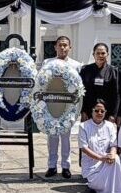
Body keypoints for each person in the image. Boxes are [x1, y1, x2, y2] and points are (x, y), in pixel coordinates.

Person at [41, 35, 83, 178]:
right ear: (55, 47)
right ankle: (51, 166)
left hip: (68, 106)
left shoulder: (76, 65)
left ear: (70, 47)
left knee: (66, 137)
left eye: (65, 45)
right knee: (52, 136)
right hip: (51, 104)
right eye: (60, 45)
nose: (63, 47)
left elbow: (79, 88)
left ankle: (66, 166)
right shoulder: (47, 62)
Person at [78, 99, 121, 193]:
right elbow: (84, 148)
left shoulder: (110, 126)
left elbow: (114, 145)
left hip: (106, 162)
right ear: (92, 111)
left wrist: (111, 155)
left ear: (105, 112)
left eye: (102, 111)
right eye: (96, 110)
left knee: (115, 158)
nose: (99, 113)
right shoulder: (83, 126)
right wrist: (101, 158)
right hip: (92, 168)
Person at [79, 42, 119, 122]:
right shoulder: (85, 70)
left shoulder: (113, 71)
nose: (100, 55)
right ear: (93, 54)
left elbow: (116, 95)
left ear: (107, 54)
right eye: (98, 53)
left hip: (106, 113)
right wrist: (83, 111)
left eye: (103, 53)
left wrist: (113, 114)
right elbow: (80, 93)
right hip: (88, 112)